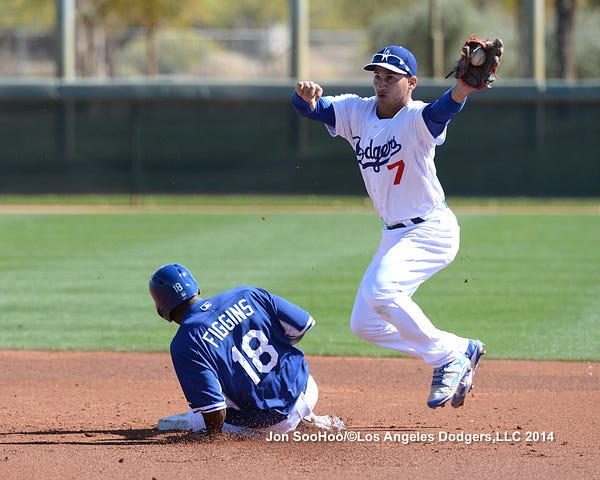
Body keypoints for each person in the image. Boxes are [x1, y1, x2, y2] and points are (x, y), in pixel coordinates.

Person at [292, 45, 485, 409]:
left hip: (430, 230)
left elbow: (441, 111)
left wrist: (462, 90)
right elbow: (311, 109)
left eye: (391, 78)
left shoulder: (415, 118)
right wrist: (302, 96)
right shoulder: (356, 111)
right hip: (394, 233)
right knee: (364, 324)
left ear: (411, 83)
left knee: (381, 291)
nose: (381, 83)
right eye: (377, 76)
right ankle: (459, 348)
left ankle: (446, 358)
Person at [148, 263, 344, 437]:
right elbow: (302, 327)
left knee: (196, 416)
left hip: (270, 424)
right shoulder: (247, 293)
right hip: (307, 390)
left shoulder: (185, 342)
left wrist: (209, 436)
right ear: (197, 287)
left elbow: (215, 412)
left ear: (162, 311)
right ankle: (307, 417)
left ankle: (292, 424)